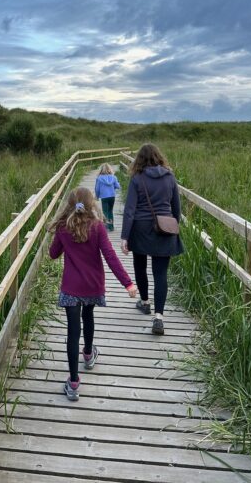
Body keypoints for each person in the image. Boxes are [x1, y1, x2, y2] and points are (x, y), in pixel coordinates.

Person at [49, 187, 137, 401]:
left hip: (71, 287)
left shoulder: (63, 227)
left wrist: (63, 241)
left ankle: (73, 382)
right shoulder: (98, 227)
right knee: (88, 316)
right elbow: (110, 257)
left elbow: (53, 254)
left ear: (69, 205)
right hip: (92, 286)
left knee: (72, 332)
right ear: (92, 205)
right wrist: (128, 284)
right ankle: (88, 354)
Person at [120, 143, 184, 336]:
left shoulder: (137, 178)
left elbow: (130, 210)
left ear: (139, 159)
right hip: (164, 229)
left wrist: (124, 236)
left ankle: (145, 302)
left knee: (139, 265)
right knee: (160, 274)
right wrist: (171, 225)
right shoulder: (170, 177)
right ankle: (159, 317)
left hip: (140, 229)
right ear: (159, 157)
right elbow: (177, 209)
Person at [94, 163, 121, 232]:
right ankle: (111, 227)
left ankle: (105, 227)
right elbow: (118, 186)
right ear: (110, 169)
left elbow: (97, 189)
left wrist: (97, 196)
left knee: (105, 212)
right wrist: (114, 186)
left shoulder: (99, 178)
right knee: (110, 211)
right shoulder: (114, 177)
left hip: (104, 197)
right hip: (112, 196)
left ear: (101, 170)